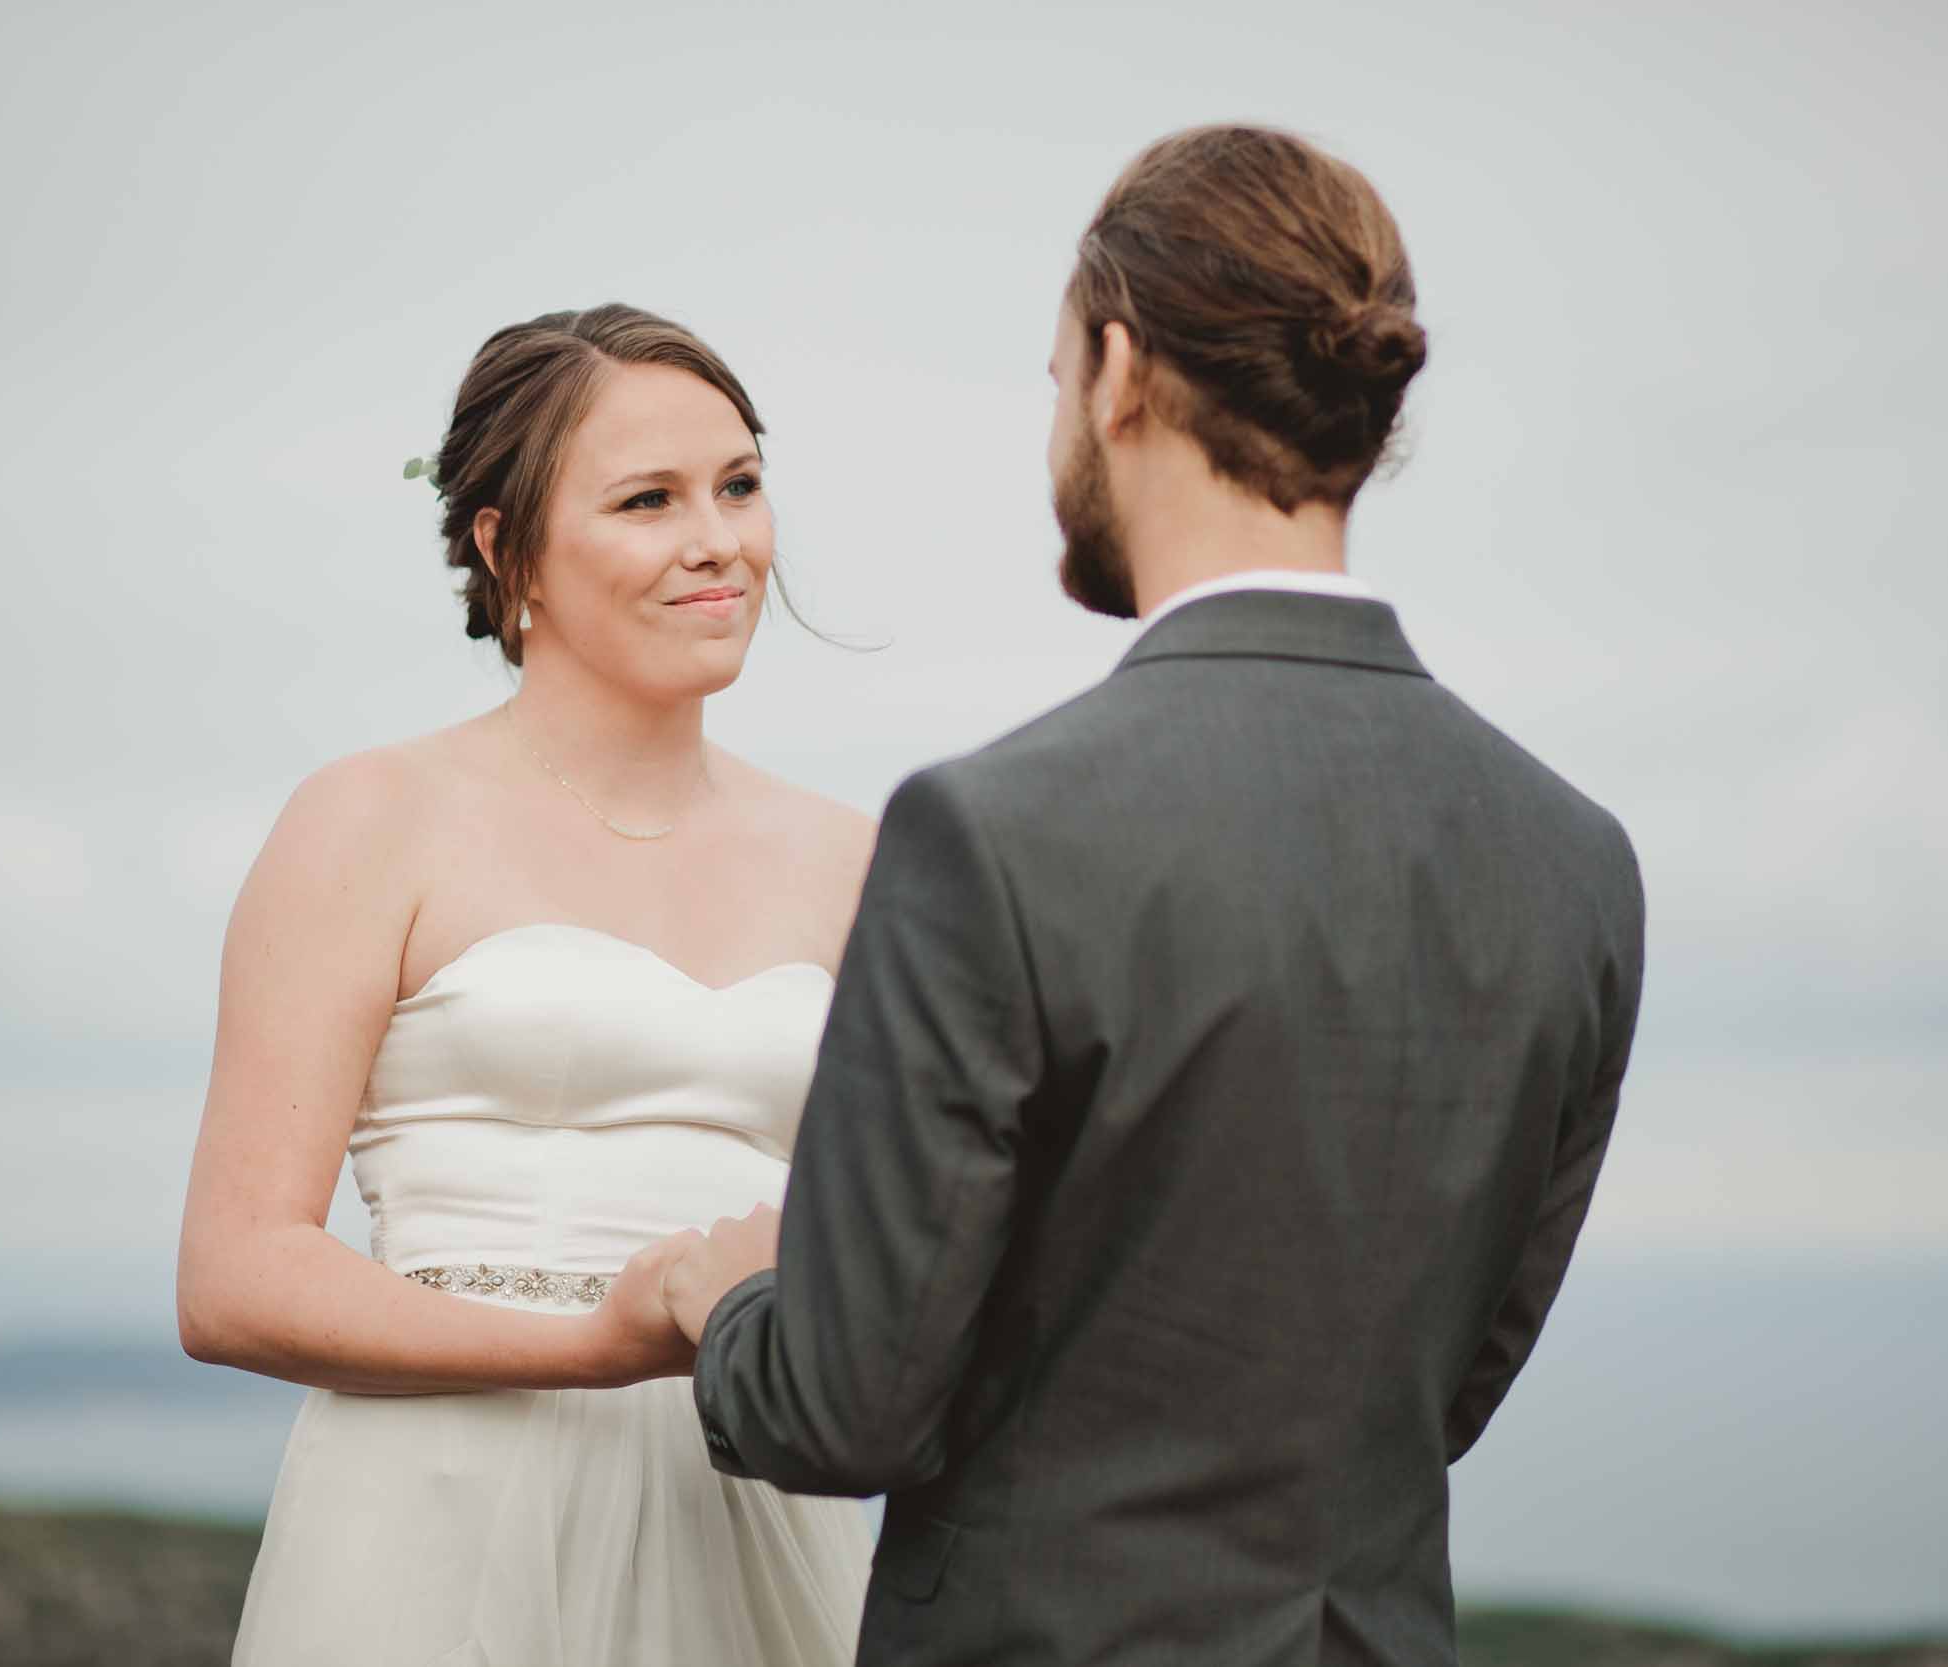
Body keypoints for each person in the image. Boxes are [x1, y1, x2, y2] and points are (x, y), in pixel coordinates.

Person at [653, 125, 1648, 1667]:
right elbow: (1444, 1391)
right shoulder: (1577, 859)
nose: (1059, 425)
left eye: (1055, 382)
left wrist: (731, 1307)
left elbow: (843, 1405)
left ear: (1120, 369)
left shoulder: (993, 832)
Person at [175, 304, 877, 1666]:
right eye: (646, 500)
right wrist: (599, 1347)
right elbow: (233, 1277)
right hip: (437, 1519)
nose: (717, 540)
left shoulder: (859, 858)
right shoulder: (370, 819)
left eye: (739, 484)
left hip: (745, 1510)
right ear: (508, 550)